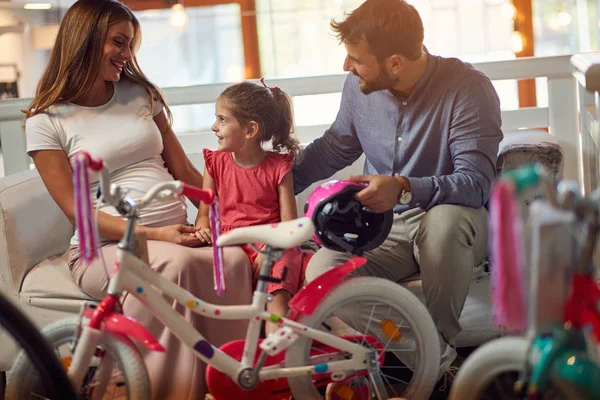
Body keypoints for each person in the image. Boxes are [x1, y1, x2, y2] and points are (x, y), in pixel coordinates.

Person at [23, 1, 252, 398]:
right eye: (119, 42)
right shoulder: (46, 121)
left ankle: (231, 387)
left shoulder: (140, 95)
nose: (127, 55)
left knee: (231, 260)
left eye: (130, 44)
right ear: (86, 40)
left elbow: (184, 170)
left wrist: (209, 213)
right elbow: (78, 211)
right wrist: (156, 234)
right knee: (174, 265)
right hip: (107, 246)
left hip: (173, 234)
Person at [293, 0, 502, 396]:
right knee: (322, 272)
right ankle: (438, 364)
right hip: (382, 227)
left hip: (451, 219)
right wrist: (268, 182)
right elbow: (334, 148)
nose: (346, 66)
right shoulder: (358, 87)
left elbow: (475, 183)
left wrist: (404, 186)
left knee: (443, 225)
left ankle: (431, 358)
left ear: (394, 64)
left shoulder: (467, 88)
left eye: (355, 58)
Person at [194, 80, 310, 335]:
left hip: (273, 243)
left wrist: (270, 245)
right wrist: (203, 229)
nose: (214, 127)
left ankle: (279, 364)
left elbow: (290, 225)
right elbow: (203, 215)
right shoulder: (215, 163)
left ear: (250, 130)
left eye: (223, 120)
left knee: (275, 302)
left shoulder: (279, 167)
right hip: (232, 242)